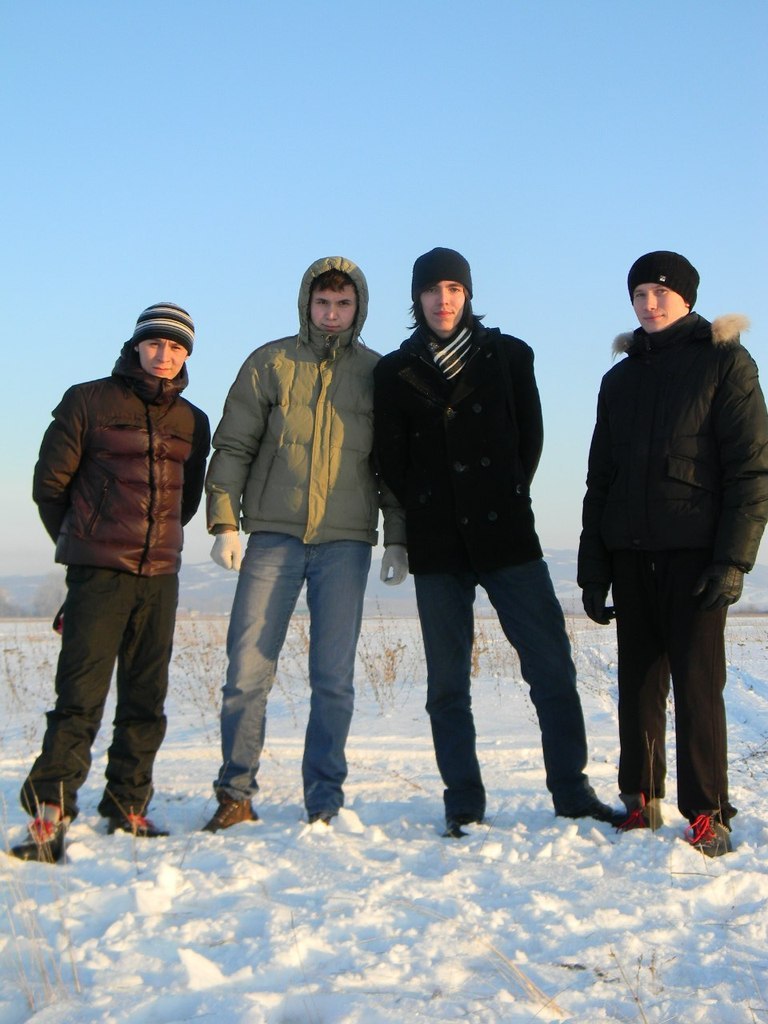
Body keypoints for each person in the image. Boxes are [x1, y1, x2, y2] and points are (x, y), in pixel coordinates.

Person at [373, 247, 618, 837]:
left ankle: (572, 790)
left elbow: (529, 436)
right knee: (447, 685)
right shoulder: (394, 371)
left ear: (468, 295)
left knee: (551, 666)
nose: (443, 300)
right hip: (438, 543)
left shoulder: (509, 356)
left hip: (506, 535)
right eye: (432, 289)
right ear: (416, 298)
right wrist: (427, 509)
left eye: (454, 288)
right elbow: (391, 458)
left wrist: (505, 492)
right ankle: (463, 800)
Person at [203, 256, 406, 832]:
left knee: (333, 679)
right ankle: (235, 793)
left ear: (358, 307)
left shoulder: (378, 373)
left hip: (345, 543)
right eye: (323, 303)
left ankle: (324, 799)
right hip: (274, 537)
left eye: (343, 304)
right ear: (306, 304)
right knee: (246, 672)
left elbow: (392, 463)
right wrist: (224, 522)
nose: (332, 314)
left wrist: (397, 537)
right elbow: (234, 445)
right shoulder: (270, 363)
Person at [578, 251, 768, 857]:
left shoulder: (725, 363)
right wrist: (593, 570)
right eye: (639, 294)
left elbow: (750, 470)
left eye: (661, 292)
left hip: (696, 557)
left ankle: (708, 811)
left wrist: (733, 561)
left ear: (686, 297)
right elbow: (600, 480)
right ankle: (641, 799)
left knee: (697, 685)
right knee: (637, 685)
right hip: (631, 555)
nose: (649, 303)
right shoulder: (620, 380)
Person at [11, 303, 210, 863]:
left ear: (187, 355)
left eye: (176, 347)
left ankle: (127, 803)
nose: (164, 355)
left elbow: (186, 499)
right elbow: (50, 485)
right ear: (136, 345)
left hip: (160, 577)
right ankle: (50, 812)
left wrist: (155, 542)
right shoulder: (87, 400)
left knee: (146, 698)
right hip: (99, 574)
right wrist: (85, 543)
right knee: (79, 697)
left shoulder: (193, 420)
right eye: (155, 343)